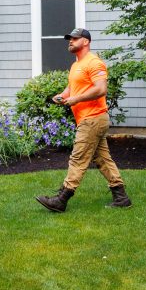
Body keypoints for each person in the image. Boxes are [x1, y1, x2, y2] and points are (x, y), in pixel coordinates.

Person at [36, 28, 132, 212]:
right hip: (89, 119)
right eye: (69, 39)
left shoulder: (94, 62)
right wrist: (63, 95)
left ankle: (61, 199)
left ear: (86, 41)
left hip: (93, 118)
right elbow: (72, 87)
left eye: (75, 38)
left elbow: (101, 89)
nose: (70, 41)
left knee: (78, 158)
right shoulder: (76, 65)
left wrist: (76, 99)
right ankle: (121, 197)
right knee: (103, 159)